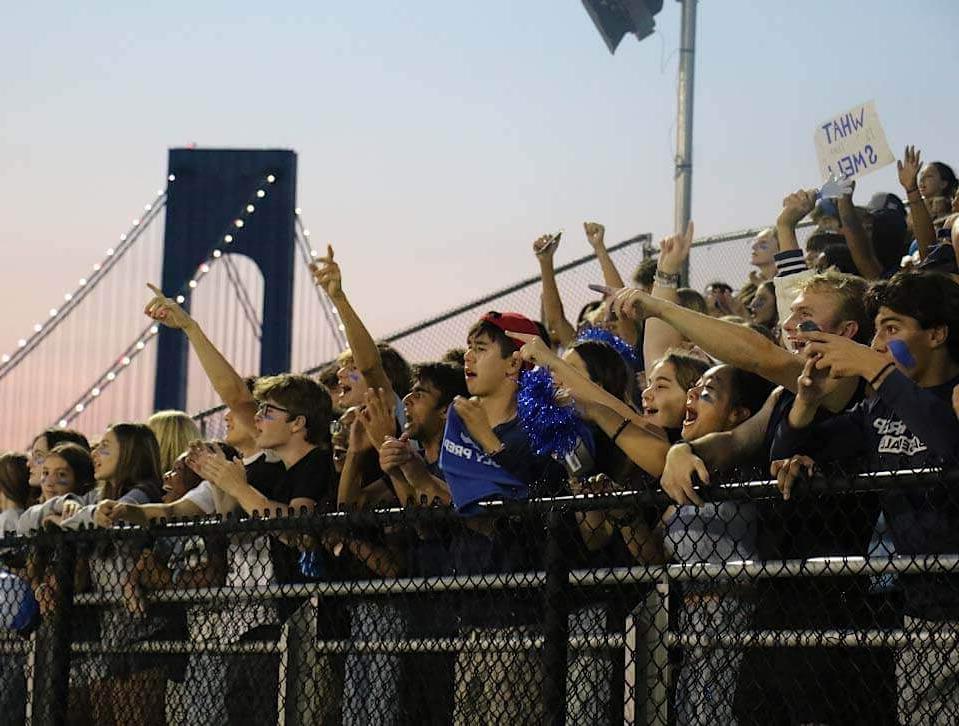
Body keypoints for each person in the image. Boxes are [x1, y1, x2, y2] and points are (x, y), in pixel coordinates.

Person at [770, 271, 959, 725]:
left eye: (891, 328)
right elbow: (786, 454)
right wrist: (807, 402)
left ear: (936, 334)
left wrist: (877, 369)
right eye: (876, 328)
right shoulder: (877, 407)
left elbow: (950, 445)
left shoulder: (954, 393)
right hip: (923, 616)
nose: (876, 342)